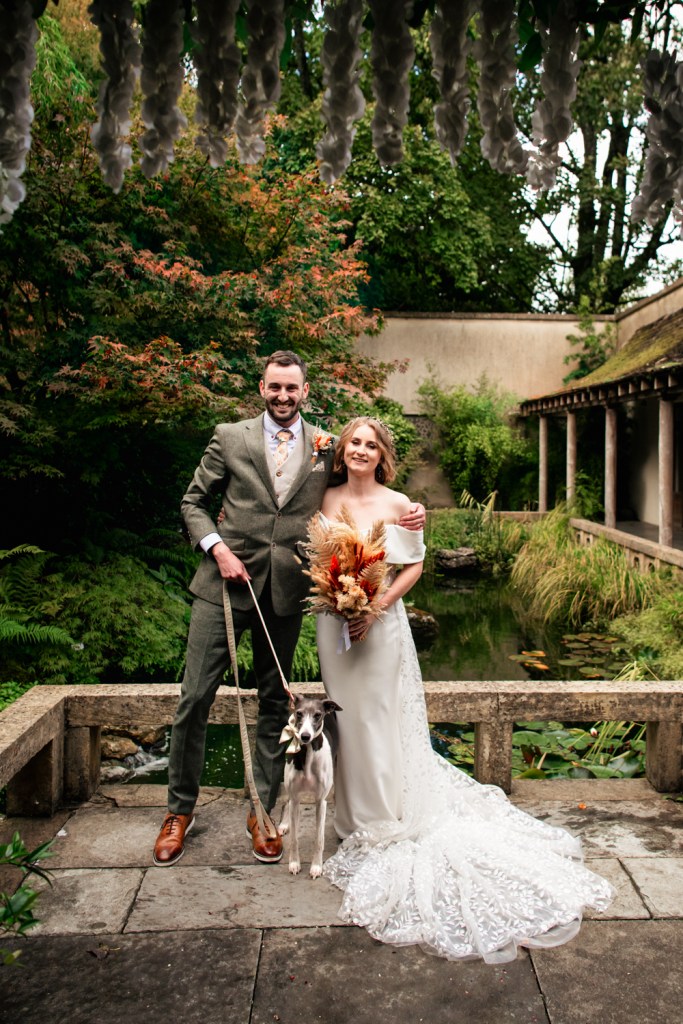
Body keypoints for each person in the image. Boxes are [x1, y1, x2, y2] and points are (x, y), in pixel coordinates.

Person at [315, 416, 614, 963]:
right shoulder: (326, 495)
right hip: (333, 625)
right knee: (346, 719)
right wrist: (338, 601)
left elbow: (414, 566)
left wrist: (374, 607)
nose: (360, 450)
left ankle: (383, 821)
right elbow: (319, 557)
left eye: (370, 444)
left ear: (382, 454)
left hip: (379, 627)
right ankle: (351, 819)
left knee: (378, 716)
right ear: (343, 451)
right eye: (353, 442)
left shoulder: (399, 501)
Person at [152, 354, 425, 868]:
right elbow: (193, 502)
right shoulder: (229, 437)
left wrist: (414, 512)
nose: (282, 396)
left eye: (291, 388)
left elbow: (365, 489)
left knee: (275, 702)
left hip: (285, 593)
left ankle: (261, 808)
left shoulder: (327, 448)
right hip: (224, 586)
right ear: (262, 387)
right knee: (194, 698)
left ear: (304, 390)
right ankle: (178, 812)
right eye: (274, 387)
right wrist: (217, 547)